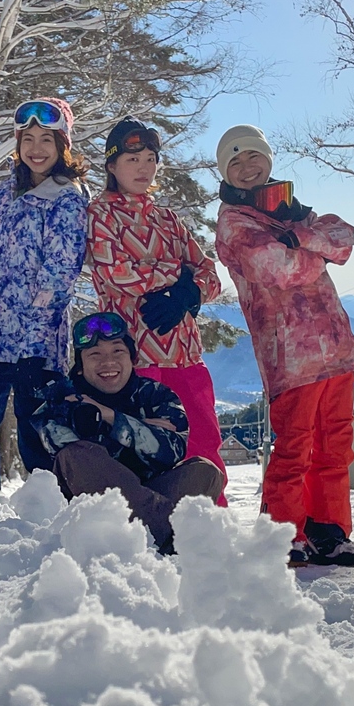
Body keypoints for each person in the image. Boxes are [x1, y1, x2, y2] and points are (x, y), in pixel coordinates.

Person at [214, 124, 354, 568]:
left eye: (254, 157)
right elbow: (280, 268)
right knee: (296, 445)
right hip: (290, 353)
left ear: (268, 160)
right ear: (225, 172)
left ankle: (329, 533)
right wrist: (314, 248)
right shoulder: (234, 221)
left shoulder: (290, 211)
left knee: (336, 446)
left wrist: (301, 237)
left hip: (337, 347)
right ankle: (283, 534)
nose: (247, 168)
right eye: (235, 161)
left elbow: (343, 237)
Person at [86, 119, 227, 501]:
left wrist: (188, 295)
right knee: (149, 445)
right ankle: (155, 530)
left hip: (185, 353)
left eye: (151, 158)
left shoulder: (168, 219)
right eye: (133, 158)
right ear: (112, 166)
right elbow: (115, 274)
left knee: (203, 442)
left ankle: (213, 529)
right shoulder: (100, 215)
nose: (144, 167)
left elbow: (211, 276)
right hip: (135, 354)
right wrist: (176, 275)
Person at [0, 97, 89, 501]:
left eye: (46, 139)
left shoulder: (66, 197)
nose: (36, 148)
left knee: (37, 437)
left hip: (35, 344)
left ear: (63, 145)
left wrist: (34, 342)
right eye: (27, 138)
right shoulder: (5, 191)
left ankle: (45, 516)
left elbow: (60, 271)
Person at [30, 312, 225, 553]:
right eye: (95, 355)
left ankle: (154, 537)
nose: (108, 362)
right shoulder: (59, 401)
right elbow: (73, 458)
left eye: (117, 351)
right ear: (80, 366)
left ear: (131, 358)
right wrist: (145, 428)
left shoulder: (156, 394)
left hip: (154, 489)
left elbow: (171, 450)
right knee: (77, 456)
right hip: (93, 517)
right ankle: (167, 536)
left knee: (206, 471)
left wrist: (110, 418)